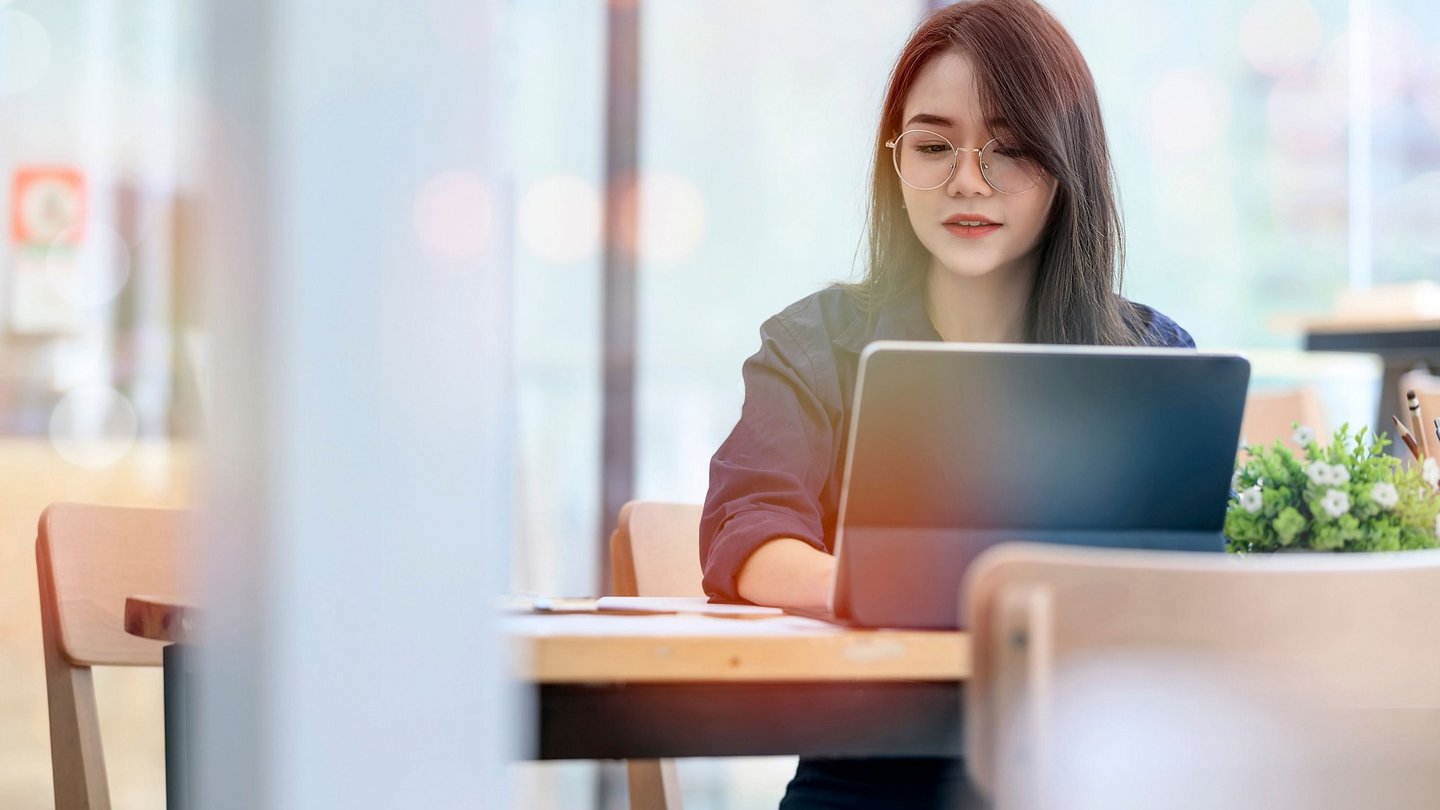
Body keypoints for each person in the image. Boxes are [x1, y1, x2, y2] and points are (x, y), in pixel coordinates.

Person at [698, 0, 1197, 807]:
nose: (968, 180)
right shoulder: (817, 343)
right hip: (867, 777)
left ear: (1069, 165)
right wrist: (910, 593)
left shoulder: (1151, 356)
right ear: (895, 162)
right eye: (933, 146)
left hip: (1093, 776)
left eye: (1009, 150)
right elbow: (746, 531)